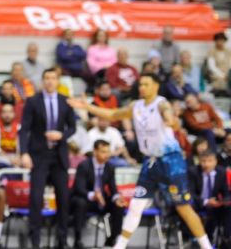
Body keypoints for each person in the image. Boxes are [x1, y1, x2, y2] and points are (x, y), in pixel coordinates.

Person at [69, 73, 214, 249]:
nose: (142, 87)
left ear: (156, 86)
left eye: (146, 84)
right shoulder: (136, 106)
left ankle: (207, 246)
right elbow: (114, 114)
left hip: (170, 161)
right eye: (140, 84)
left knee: (182, 206)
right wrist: (87, 107)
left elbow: (170, 117)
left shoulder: (161, 104)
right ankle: (119, 246)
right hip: (150, 161)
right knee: (136, 204)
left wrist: (172, 121)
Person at [19, 68, 76, 249]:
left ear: (58, 81)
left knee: (63, 199)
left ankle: (62, 240)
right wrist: (24, 153)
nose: (50, 81)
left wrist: (62, 135)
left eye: (53, 78)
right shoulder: (33, 101)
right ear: (43, 81)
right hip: (39, 156)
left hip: (59, 156)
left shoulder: (65, 101)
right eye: (47, 78)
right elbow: (24, 129)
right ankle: (35, 240)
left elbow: (73, 127)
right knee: (36, 199)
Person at [70, 139, 126, 249]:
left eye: (108, 152)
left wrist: (117, 198)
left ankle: (112, 239)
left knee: (118, 205)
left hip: (102, 200)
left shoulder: (110, 167)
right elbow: (79, 188)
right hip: (86, 199)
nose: (107, 155)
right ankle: (77, 239)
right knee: (80, 202)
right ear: (95, 152)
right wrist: (93, 195)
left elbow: (113, 188)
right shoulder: (84, 165)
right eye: (103, 152)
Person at [190, 150, 231, 247]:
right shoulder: (193, 171)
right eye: (203, 161)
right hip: (198, 203)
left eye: (210, 161)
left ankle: (226, 238)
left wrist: (224, 201)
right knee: (209, 212)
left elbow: (225, 192)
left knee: (228, 209)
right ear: (199, 161)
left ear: (215, 161)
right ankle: (205, 239)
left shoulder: (221, 172)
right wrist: (206, 201)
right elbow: (190, 193)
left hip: (215, 204)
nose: (206, 164)